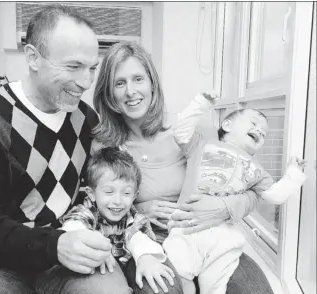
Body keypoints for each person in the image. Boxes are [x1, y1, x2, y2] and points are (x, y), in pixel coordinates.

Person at [0, 5, 132, 294]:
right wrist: (53, 246)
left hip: (69, 249)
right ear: (33, 57)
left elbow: (101, 185)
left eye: (92, 68)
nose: (85, 82)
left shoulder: (86, 120)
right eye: (73, 66)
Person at [92, 41, 278, 294]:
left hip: (211, 236)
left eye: (138, 79)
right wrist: (138, 208)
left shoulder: (190, 133)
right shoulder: (105, 147)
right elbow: (94, 205)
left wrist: (221, 208)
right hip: (150, 243)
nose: (131, 91)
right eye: (119, 83)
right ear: (109, 93)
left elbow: (252, 189)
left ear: (152, 84)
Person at [162, 93, 307, 293]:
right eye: (254, 123)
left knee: (216, 286)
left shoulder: (257, 170)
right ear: (227, 125)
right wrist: (202, 102)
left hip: (223, 235)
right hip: (185, 225)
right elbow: (181, 131)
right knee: (178, 274)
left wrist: (294, 174)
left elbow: (275, 195)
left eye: (264, 133)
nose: (260, 131)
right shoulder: (202, 145)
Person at [60, 147, 182, 294]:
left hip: (127, 263)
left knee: (161, 282)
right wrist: (93, 247)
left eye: (126, 193)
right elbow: (73, 227)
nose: (117, 201)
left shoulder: (133, 218)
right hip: (102, 269)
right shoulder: (87, 212)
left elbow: (137, 237)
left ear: (135, 196)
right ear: (91, 194)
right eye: (109, 192)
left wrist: (146, 257)